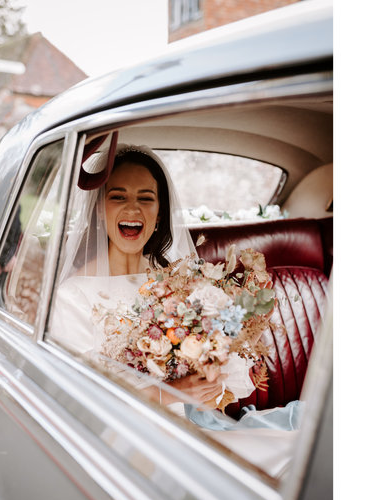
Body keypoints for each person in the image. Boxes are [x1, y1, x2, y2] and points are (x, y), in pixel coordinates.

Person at [51, 143, 252, 407]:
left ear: (159, 214)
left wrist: (249, 329)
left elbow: (225, 380)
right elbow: (79, 397)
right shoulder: (72, 296)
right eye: (118, 197)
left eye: (145, 198)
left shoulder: (179, 279)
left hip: (200, 422)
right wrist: (169, 393)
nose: (133, 210)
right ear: (100, 209)